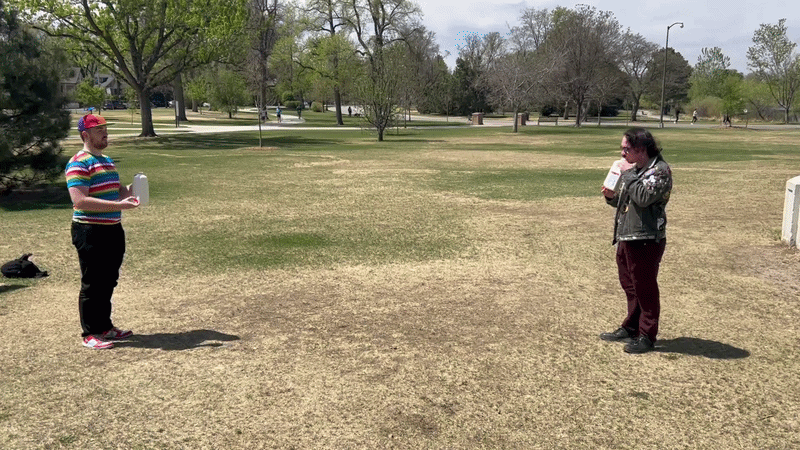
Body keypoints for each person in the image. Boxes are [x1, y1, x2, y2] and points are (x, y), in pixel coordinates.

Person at [66, 114, 140, 349]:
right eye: (99, 130)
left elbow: (116, 191)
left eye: (106, 129)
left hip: (112, 229)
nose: (105, 133)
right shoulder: (79, 162)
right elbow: (80, 201)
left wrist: (133, 188)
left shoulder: (107, 160)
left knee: (109, 280)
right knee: (92, 282)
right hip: (89, 230)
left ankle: (105, 327)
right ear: (85, 135)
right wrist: (120, 206)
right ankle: (90, 333)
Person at [600, 127, 672, 354]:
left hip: (646, 238)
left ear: (641, 149)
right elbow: (626, 198)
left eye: (626, 149)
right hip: (627, 235)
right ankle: (632, 326)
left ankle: (647, 335)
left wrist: (628, 173)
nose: (622, 154)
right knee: (630, 285)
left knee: (645, 287)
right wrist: (611, 197)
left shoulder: (660, 171)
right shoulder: (637, 170)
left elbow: (642, 197)